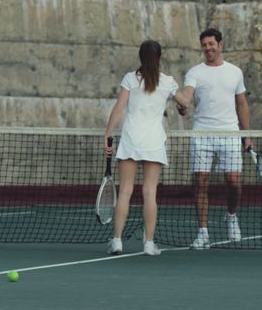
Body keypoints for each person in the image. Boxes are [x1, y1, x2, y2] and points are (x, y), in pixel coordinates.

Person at [104, 40, 190, 256]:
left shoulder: (130, 79)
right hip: (153, 142)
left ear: (140, 58)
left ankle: (117, 241)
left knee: (124, 191)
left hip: (131, 140)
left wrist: (107, 135)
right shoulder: (168, 82)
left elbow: (118, 109)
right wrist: (181, 106)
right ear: (159, 59)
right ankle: (149, 244)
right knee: (149, 192)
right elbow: (185, 103)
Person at [177, 28, 252, 250]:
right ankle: (203, 232)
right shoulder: (194, 72)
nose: (208, 48)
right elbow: (187, 94)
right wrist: (183, 105)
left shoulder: (235, 72)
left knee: (234, 183)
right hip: (202, 134)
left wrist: (246, 135)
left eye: (211, 44)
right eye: (204, 45)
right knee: (200, 182)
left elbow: (241, 104)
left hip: (229, 133)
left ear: (221, 44)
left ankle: (231, 215)